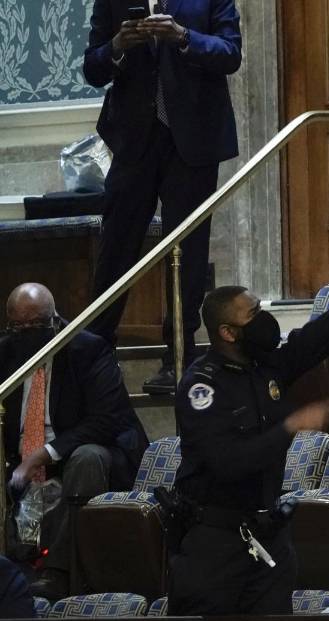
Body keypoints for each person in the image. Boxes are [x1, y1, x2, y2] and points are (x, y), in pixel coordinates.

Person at [169, 255, 329, 615]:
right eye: (251, 315)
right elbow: (228, 462)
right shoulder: (202, 387)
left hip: (268, 537)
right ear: (228, 333)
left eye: (260, 308)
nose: (264, 321)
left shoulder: (270, 365)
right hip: (214, 541)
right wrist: (291, 426)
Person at [82, 0, 243, 393]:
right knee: (116, 247)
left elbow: (230, 54)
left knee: (186, 253)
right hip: (133, 141)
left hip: (192, 142)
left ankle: (178, 356)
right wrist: (118, 45)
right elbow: (92, 67)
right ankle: (96, 352)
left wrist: (183, 37)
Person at [1, 284, 148, 601]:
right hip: (21, 456)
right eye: (18, 326)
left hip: (89, 450)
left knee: (85, 457)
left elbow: (105, 420)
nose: (26, 332)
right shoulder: (7, 351)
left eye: (35, 324)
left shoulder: (86, 349)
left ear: (54, 319)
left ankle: (58, 571)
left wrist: (42, 455)